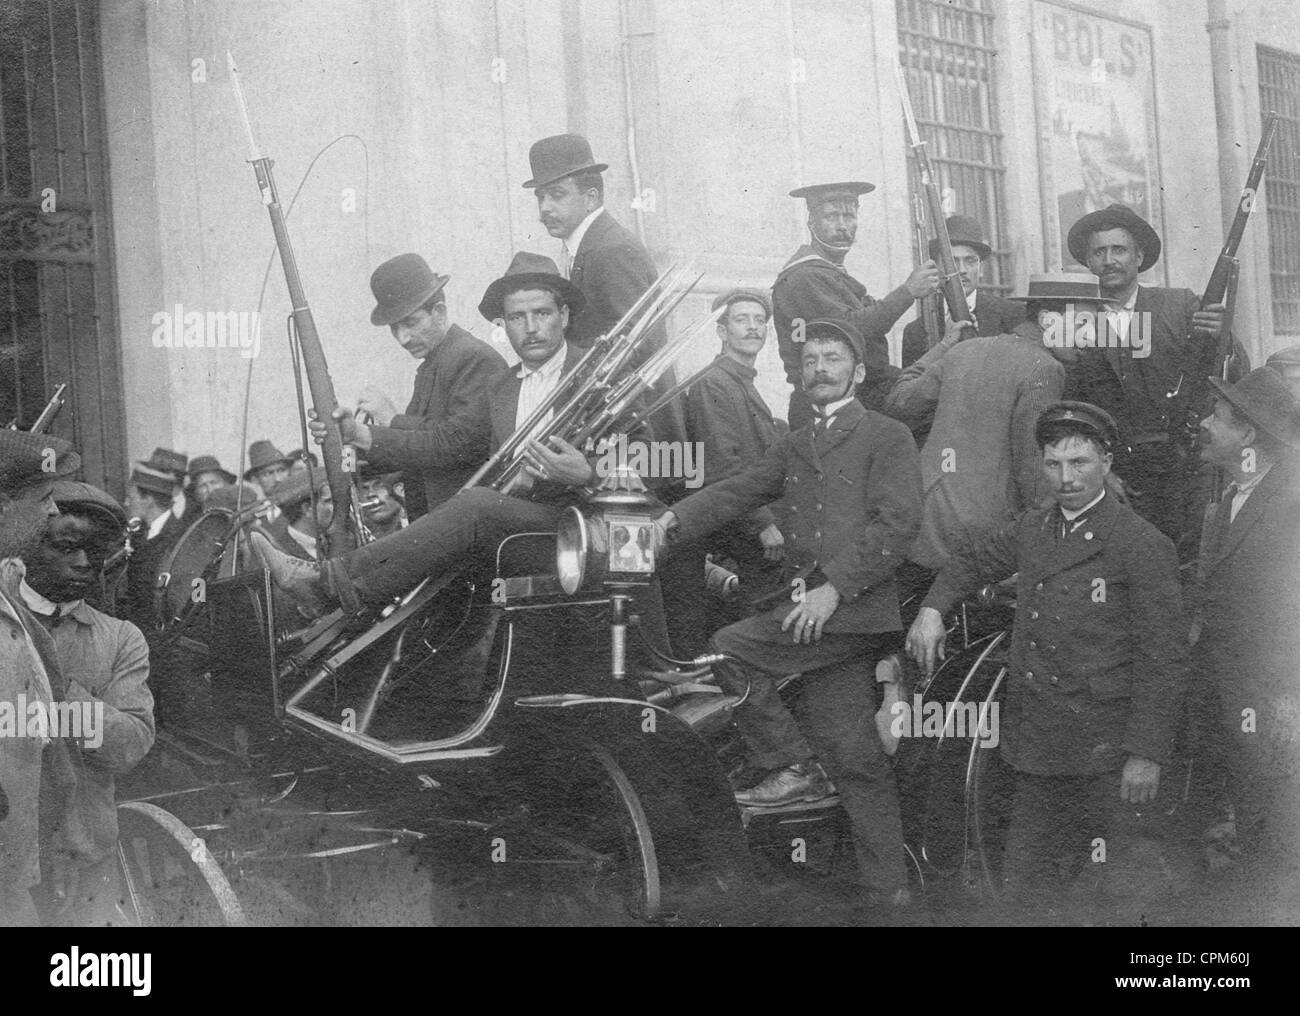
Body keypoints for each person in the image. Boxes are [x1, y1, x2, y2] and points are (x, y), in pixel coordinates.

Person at [656, 318, 922, 908]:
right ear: (799, 378)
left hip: (849, 613)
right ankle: (889, 891)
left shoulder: (887, 435)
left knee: (728, 645)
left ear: (856, 372)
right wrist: (675, 521)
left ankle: (790, 765)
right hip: (815, 619)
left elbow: (897, 523)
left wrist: (834, 589)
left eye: (832, 359)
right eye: (810, 361)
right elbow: (741, 487)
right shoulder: (796, 442)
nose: (820, 368)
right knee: (855, 756)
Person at [250, 253, 651, 615]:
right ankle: (334, 586)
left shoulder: (602, 376)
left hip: (591, 536)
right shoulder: (506, 387)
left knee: (475, 506)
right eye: (515, 318)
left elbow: (659, 465)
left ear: (564, 316)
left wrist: (588, 473)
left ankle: (332, 585)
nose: (530, 328)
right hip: (523, 531)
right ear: (502, 324)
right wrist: (348, 439)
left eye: (542, 313)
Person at [907, 402, 1187, 915]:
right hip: (1036, 746)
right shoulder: (1033, 528)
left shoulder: (1141, 544)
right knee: (1025, 893)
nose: (1066, 478)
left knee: (1122, 896)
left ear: (1105, 462)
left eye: (1079, 463)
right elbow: (970, 561)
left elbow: (1164, 658)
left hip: (1108, 752)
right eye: (1054, 465)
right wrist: (931, 609)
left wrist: (1146, 753)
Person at [886, 272, 1080, 603]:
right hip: (982, 539)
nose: (1089, 338)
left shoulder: (966, 350)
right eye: (1083, 326)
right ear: (1049, 320)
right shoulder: (1045, 369)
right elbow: (1033, 472)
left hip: (922, 522)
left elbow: (899, 402)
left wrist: (945, 344)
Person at [1061, 203, 1233, 558]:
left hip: (1184, 471)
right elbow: (1076, 410)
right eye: (1099, 252)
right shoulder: (1077, 323)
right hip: (1120, 477)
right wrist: (1103, 475)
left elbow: (1224, 374)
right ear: (1089, 263)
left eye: (1119, 250)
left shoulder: (1181, 306)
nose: (1109, 260)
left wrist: (1221, 335)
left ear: (1139, 256)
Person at [21, 480, 155, 926]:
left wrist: (57, 691)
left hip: (85, 858)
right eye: (66, 546)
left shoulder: (120, 638)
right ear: (25, 545)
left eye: (95, 550)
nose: (83, 563)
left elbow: (130, 745)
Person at [1193, 367, 1300, 884]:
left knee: (1279, 831)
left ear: (1249, 435)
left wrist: (1289, 701)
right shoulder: (1232, 497)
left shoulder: (1290, 502)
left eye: (1216, 415)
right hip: (1232, 696)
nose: (1204, 423)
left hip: (1274, 703)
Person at [525, 133, 686, 446]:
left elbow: (637, 347)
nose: (545, 207)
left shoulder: (610, 250)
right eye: (540, 197)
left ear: (591, 198)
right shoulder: (586, 247)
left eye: (556, 195)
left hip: (639, 426)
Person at [327, 254, 506, 520]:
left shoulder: (472, 357)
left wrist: (389, 420)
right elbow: (413, 450)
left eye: (411, 323)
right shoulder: (434, 363)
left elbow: (455, 444)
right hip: (444, 520)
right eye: (394, 328)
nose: (402, 338)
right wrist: (347, 440)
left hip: (470, 522)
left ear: (440, 312)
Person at [771, 180, 940, 428]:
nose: (842, 226)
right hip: (830, 405)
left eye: (849, 216)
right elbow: (850, 328)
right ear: (811, 222)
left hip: (859, 396)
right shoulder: (804, 276)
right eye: (831, 216)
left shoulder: (830, 273)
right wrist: (908, 292)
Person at [674, 288, 786, 647]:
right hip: (740, 528)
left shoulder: (740, 381)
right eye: (741, 320)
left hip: (747, 519)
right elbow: (722, 467)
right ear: (722, 331)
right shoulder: (714, 384)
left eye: (759, 320)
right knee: (758, 625)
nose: (753, 328)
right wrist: (763, 523)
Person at [0, 429, 81, 926]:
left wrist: (55, 838)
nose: (54, 512)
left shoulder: (10, 593)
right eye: (44, 497)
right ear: (4, 504)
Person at [900, 215, 1025, 369]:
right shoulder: (915, 332)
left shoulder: (1012, 315)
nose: (961, 270)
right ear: (937, 268)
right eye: (951, 262)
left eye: (970, 261)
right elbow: (909, 389)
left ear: (981, 268)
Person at [123, 462, 191, 631]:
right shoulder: (141, 534)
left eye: (131, 497)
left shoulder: (179, 538)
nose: (126, 503)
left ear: (148, 500)